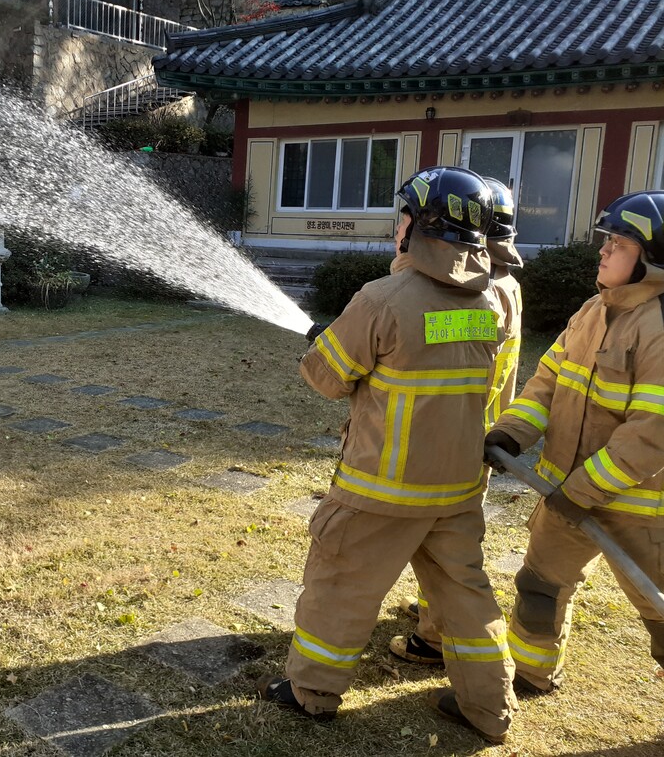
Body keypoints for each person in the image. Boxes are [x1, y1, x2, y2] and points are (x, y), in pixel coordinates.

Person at [257, 166, 517, 745]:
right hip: (457, 488)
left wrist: (327, 340)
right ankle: (490, 707)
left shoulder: (383, 298)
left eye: (402, 217)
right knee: (466, 597)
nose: (395, 227)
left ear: (420, 227)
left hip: (381, 489)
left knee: (340, 585)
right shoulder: (492, 300)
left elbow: (327, 377)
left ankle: (311, 692)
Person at [485, 190, 664, 695]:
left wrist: (582, 490)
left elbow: (651, 432)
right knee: (539, 588)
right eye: (607, 241)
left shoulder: (658, 329)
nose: (604, 251)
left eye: (620, 244)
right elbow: (546, 383)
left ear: (652, 259)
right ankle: (531, 675)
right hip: (565, 495)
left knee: (660, 613)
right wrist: (511, 432)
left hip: (639, 509)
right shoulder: (590, 312)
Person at [391, 177, 524, 665]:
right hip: (474, 434)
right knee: (447, 542)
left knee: (447, 549)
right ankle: (434, 613)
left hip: (457, 437)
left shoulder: (485, 291)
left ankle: (434, 635)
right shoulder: (505, 284)